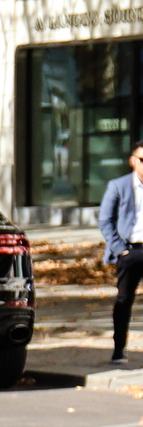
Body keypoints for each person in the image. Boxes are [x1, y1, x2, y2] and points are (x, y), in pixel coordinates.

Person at [98, 139, 143, 365]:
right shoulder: (118, 185)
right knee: (124, 300)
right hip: (131, 251)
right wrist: (120, 249)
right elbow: (105, 221)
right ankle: (119, 349)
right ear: (133, 161)